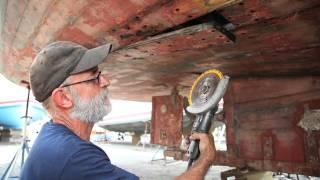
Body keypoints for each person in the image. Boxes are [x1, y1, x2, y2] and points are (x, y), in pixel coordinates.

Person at [20, 41, 216, 180]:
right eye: (94, 77)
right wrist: (205, 159)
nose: (106, 82)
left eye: (101, 74)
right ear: (63, 98)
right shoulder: (72, 156)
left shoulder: (53, 137)